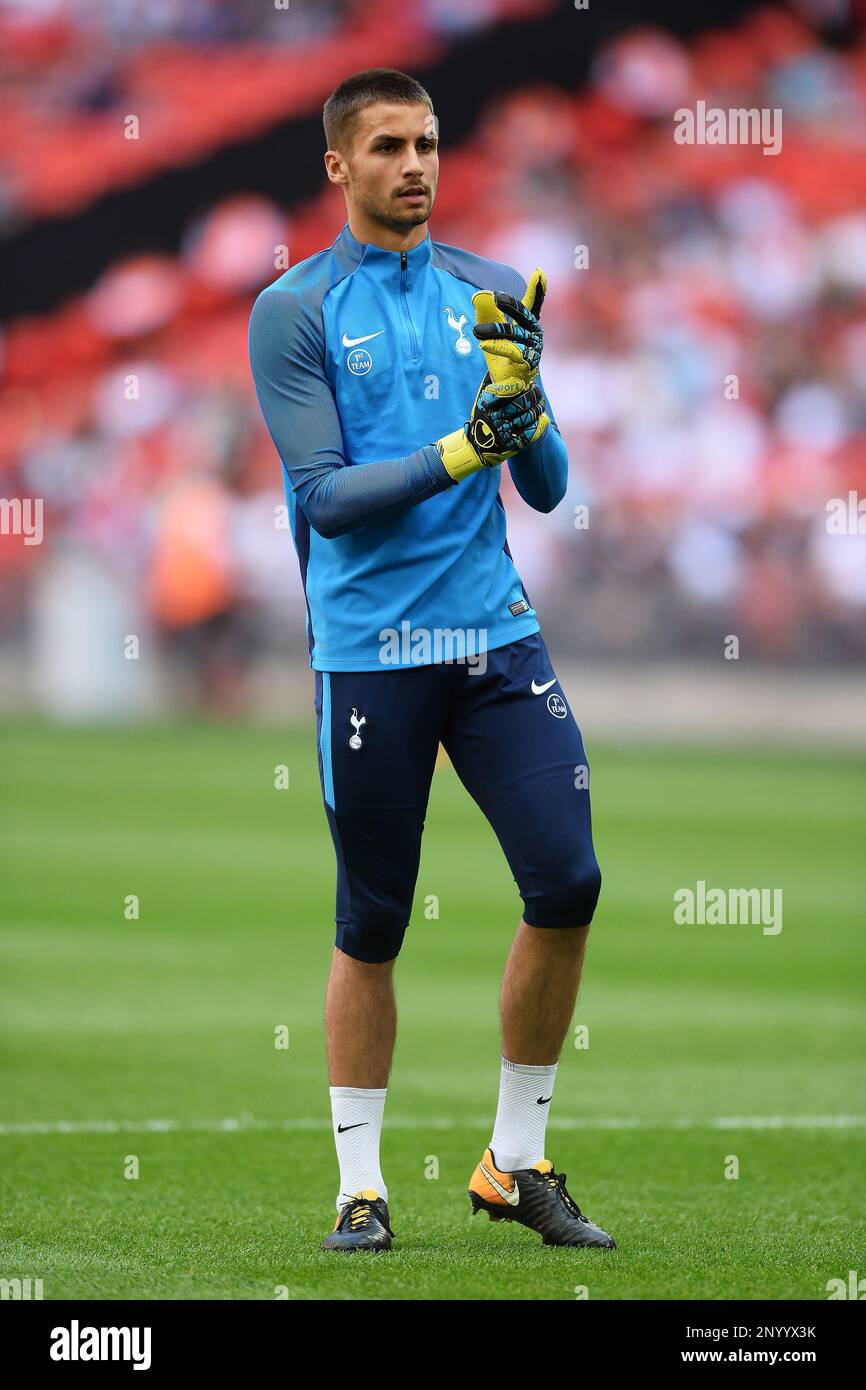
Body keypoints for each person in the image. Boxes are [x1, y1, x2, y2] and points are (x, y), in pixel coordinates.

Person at [248, 68, 614, 1252]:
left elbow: (549, 490)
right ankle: (360, 1183)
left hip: (495, 640)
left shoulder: (493, 290)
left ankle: (515, 1160)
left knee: (568, 881)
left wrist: (526, 396)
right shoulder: (294, 309)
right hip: (370, 654)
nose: (416, 164)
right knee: (373, 922)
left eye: (430, 143)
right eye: (391, 145)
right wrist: (464, 445)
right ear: (337, 167)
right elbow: (325, 499)